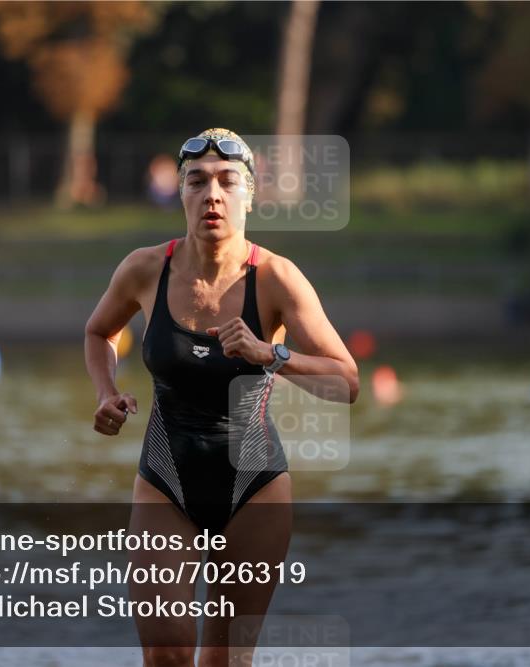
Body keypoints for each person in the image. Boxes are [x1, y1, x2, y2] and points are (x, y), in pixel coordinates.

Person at [84, 128, 359, 666]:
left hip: (254, 484)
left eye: (227, 181)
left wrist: (272, 356)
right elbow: (98, 333)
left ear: (247, 196)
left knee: (226, 660)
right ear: (180, 194)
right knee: (165, 655)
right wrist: (106, 391)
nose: (212, 194)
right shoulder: (145, 268)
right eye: (197, 181)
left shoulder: (277, 277)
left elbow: (346, 381)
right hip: (166, 476)